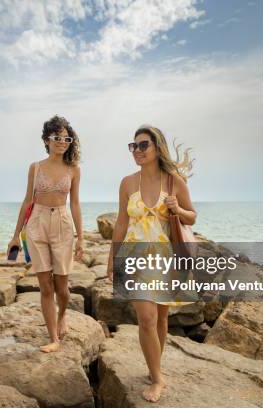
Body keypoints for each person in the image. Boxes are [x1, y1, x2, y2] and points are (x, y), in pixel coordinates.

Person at [107, 124, 197, 402]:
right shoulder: (126, 183)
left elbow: (192, 217)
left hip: (165, 257)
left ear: (157, 147)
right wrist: (112, 259)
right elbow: (121, 222)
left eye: (143, 145)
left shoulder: (174, 181)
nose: (137, 151)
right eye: (133, 146)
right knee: (146, 318)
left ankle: (153, 367)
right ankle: (158, 379)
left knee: (161, 319)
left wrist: (177, 208)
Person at [8, 115, 84, 353]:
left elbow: (75, 204)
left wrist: (81, 237)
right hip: (37, 223)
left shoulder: (73, 169)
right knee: (45, 285)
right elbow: (27, 200)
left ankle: (62, 315)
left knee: (62, 286)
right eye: (57, 137)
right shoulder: (36, 167)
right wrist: (15, 234)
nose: (62, 141)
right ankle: (53, 338)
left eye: (66, 138)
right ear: (46, 140)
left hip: (62, 222)